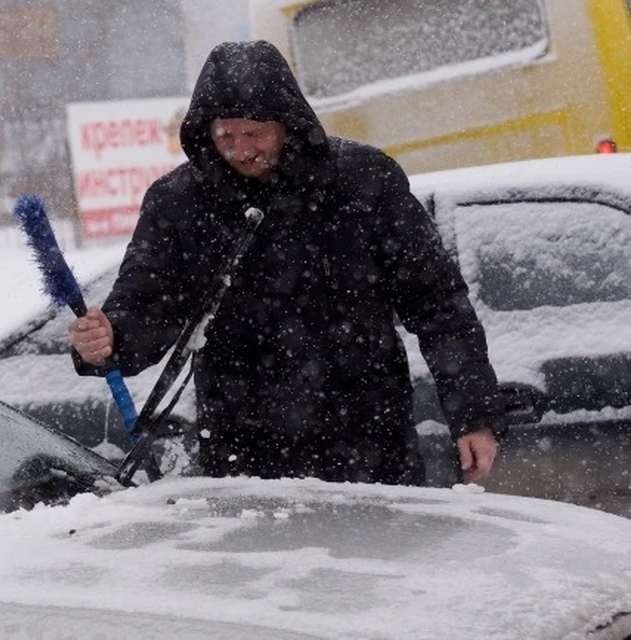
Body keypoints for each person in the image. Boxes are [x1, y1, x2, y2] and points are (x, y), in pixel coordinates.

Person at [68, 40, 503, 486]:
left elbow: (438, 305)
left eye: (254, 134)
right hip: (244, 458)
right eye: (226, 136)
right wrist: (110, 338)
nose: (240, 150)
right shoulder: (178, 204)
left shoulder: (364, 182)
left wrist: (474, 415)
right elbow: (146, 307)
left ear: (287, 124)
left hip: (370, 447)